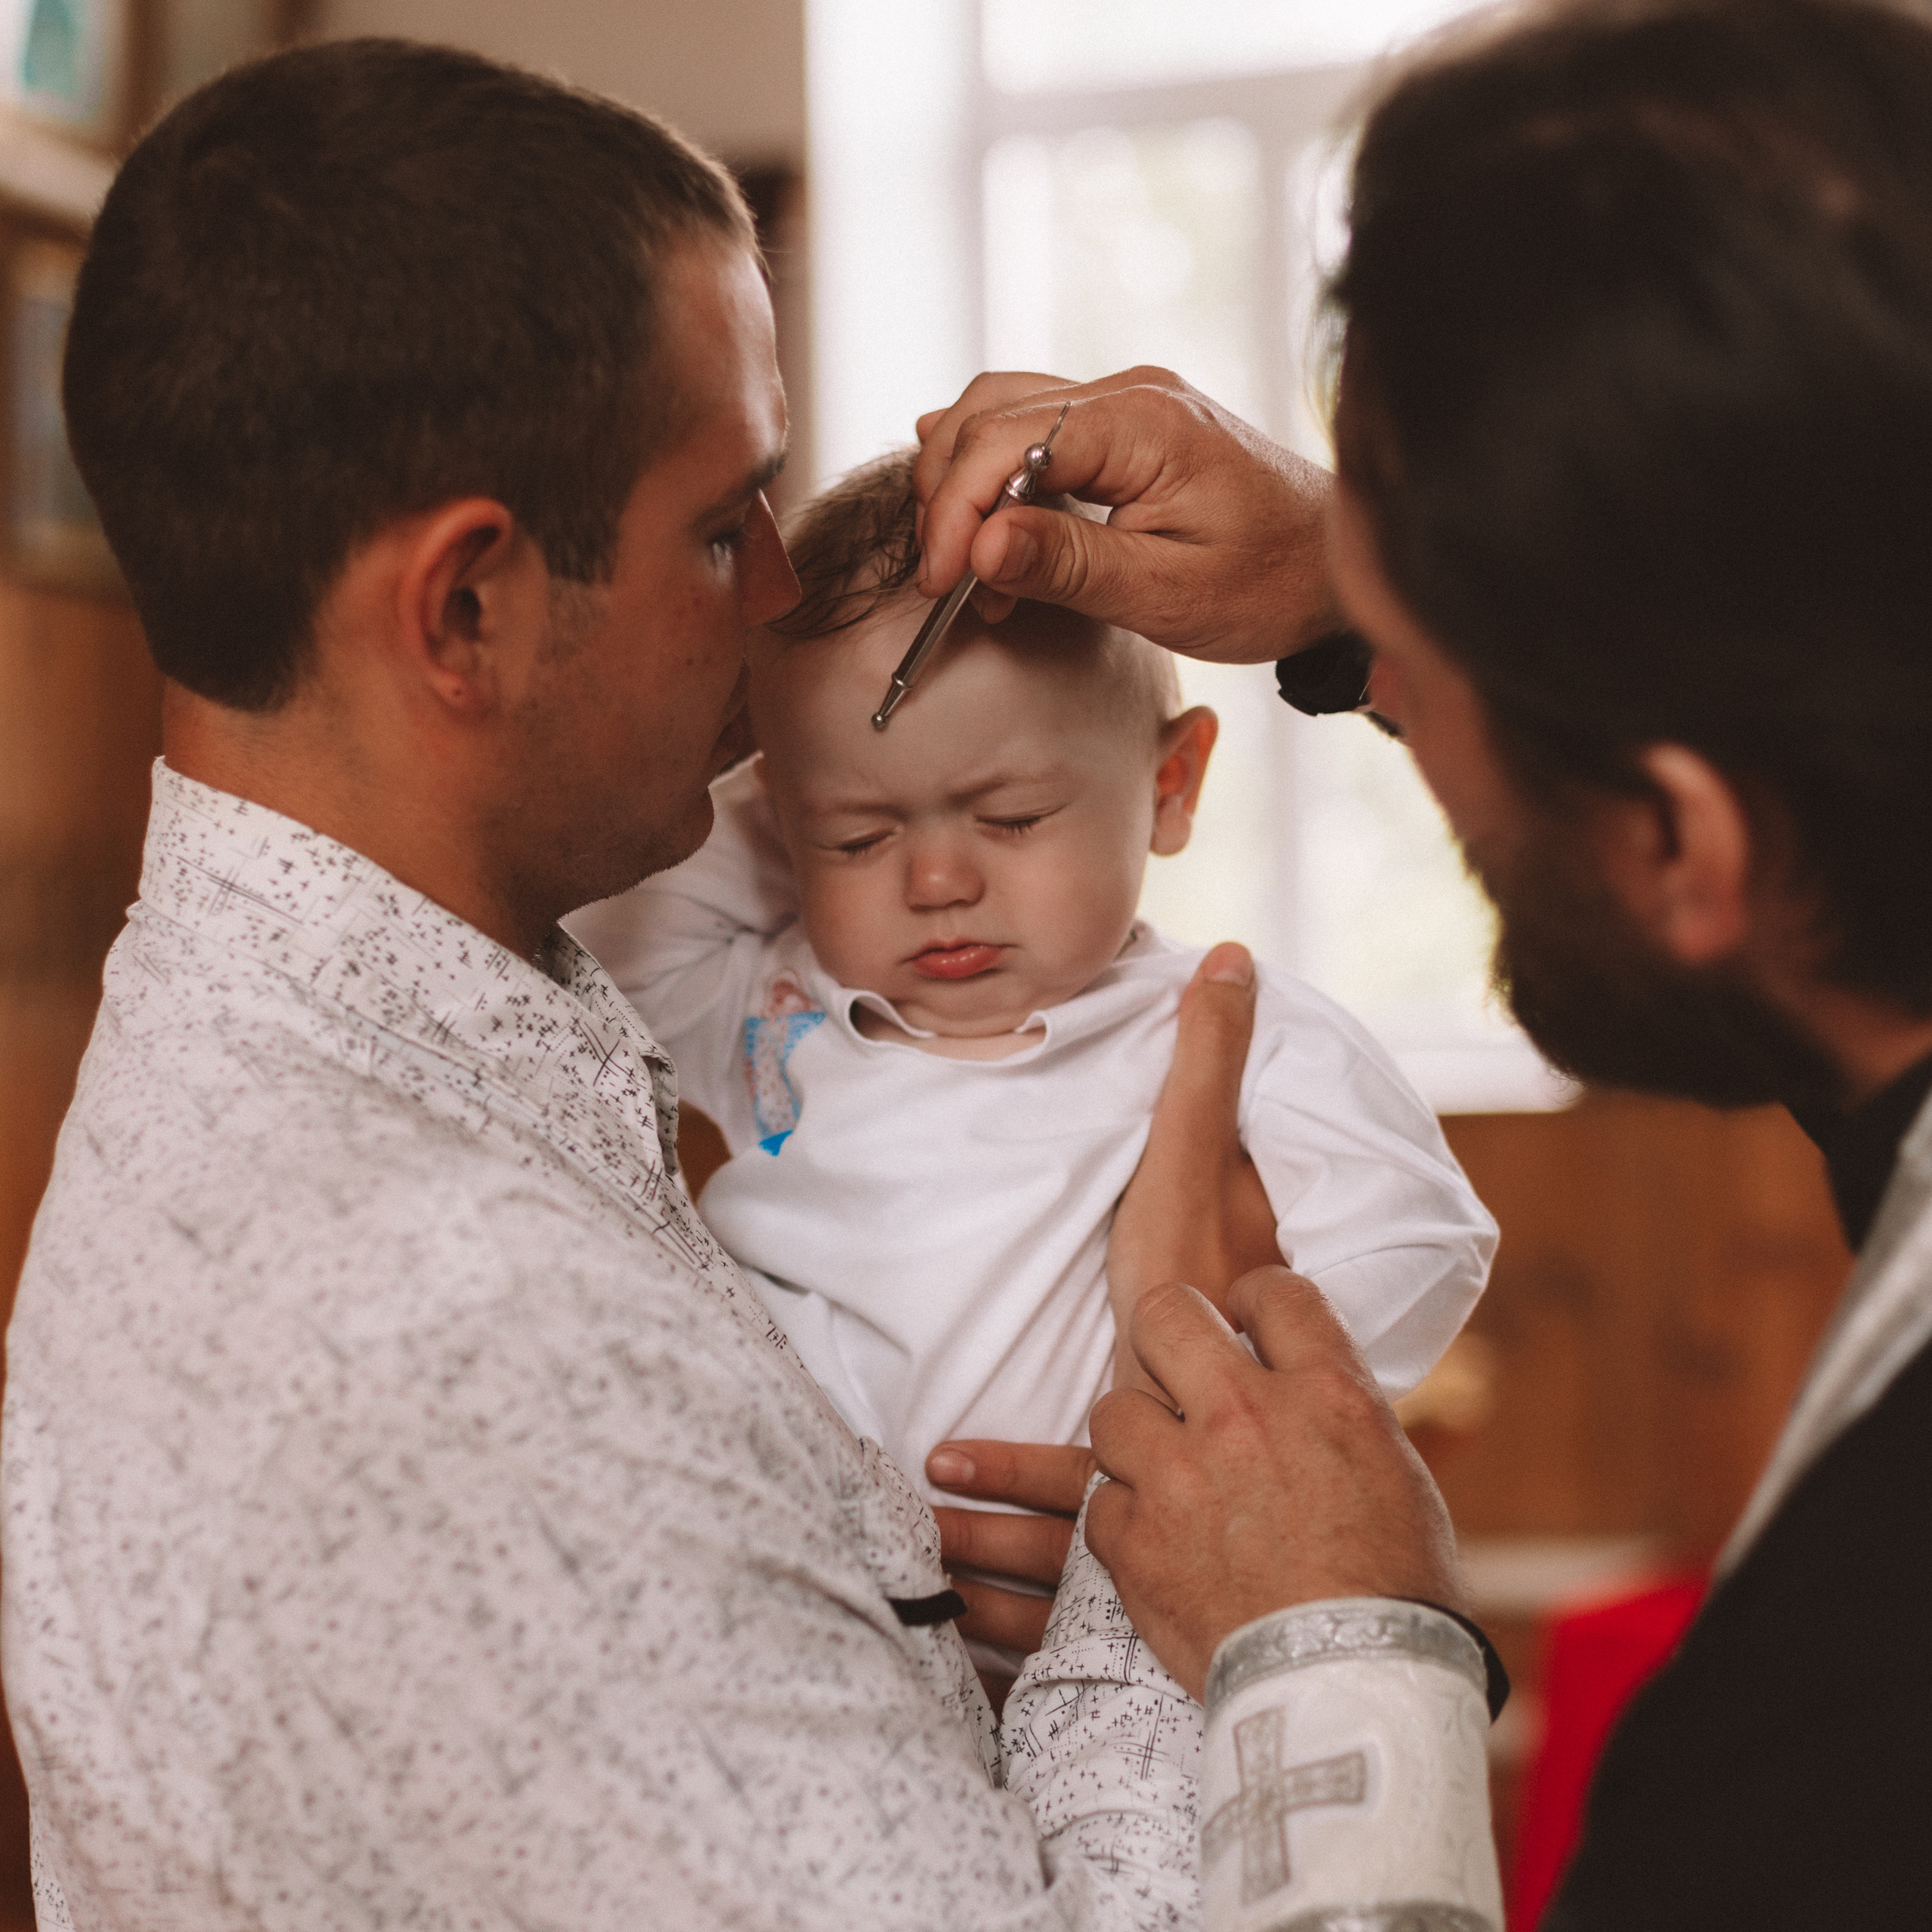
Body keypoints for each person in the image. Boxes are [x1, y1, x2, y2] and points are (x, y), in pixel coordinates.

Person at [0, 38, 1392, 1932]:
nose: (775, 599)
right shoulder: (457, 1339)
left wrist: (1333, 580)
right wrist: (1215, 1582)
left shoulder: (347, 1037)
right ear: (465, 607)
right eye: (727, 522)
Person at [909, 0, 1932, 1924]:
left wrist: (1332, 1641)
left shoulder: (1827, 1741)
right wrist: (1341, 565)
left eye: (1406, 668)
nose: (1378, 704)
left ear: (1679, 840)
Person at [565, 451, 1494, 1583]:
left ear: (1169, 787)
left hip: (1124, 1588)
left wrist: (1228, 1407)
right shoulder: (769, 1001)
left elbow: (1418, 1238)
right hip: (800, 1588)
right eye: (860, 837)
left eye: (1009, 818)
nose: (937, 880)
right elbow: (608, 923)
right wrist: (784, 768)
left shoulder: (1231, 1020)